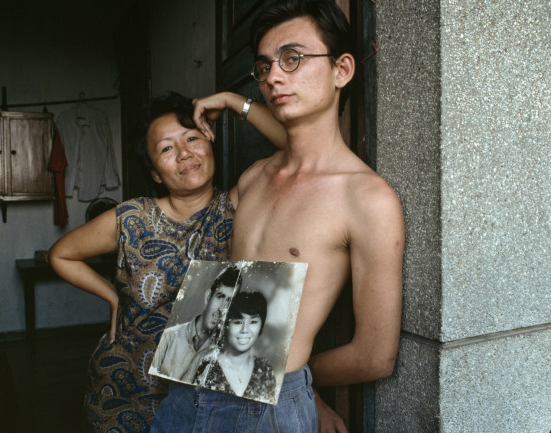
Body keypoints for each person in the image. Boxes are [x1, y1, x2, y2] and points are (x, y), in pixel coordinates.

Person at [151, 1, 405, 432]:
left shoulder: (366, 199)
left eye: (293, 58)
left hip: (261, 411)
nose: (273, 75)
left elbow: (375, 355)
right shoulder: (254, 178)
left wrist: (301, 387)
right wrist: (234, 101)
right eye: (265, 65)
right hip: (185, 388)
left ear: (341, 70)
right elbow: (295, 152)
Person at [47, 92, 284, 432]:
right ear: (156, 173)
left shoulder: (237, 206)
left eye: (192, 138)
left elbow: (297, 146)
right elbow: (61, 254)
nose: (185, 153)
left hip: (203, 393)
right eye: (166, 148)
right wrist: (112, 296)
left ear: (210, 142)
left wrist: (234, 103)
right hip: (124, 386)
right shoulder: (131, 217)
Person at [150, 265, 241, 380]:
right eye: (220, 297)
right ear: (208, 297)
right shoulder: (168, 338)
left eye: (229, 302)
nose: (222, 308)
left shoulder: (224, 355)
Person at [192, 291, 277, 403]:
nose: (245, 330)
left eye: (253, 322)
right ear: (227, 326)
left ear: (261, 326)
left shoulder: (265, 369)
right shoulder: (207, 367)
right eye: (237, 322)